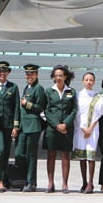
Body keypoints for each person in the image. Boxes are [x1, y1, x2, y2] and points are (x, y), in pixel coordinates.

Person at [44, 65, 77, 194]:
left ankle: (65, 184)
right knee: (51, 155)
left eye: (60, 75)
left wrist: (65, 124)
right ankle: (50, 183)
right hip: (52, 128)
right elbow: (47, 110)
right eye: (56, 75)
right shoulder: (49, 91)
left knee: (65, 155)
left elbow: (74, 110)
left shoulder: (72, 92)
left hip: (67, 129)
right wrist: (57, 125)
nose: (58, 78)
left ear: (65, 77)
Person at [0, 61, 20, 192]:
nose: (2, 73)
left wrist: (16, 126)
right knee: (0, 150)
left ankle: (2, 180)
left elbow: (17, 107)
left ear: (8, 72)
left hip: (8, 124)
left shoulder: (13, 87)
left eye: (5, 71)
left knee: (6, 153)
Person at [14, 64, 46, 192]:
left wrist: (27, 104)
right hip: (23, 126)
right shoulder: (27, 88)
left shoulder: (38, 88)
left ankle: (31, 182)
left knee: (31, 155)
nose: (29, 76)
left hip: (33, 126)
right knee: (19, 153)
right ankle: (24, 178)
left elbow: (40, 107)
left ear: (37, 74)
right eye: (27, 74)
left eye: (32, 74)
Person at [72, 72, 103, 194]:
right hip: (80, 129)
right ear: (83, 81)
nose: (89, 82)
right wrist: (82, 127)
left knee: (90, 156)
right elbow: (76, 113)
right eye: (86, 80)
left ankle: (91, 183)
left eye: (91, 80)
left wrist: (90, 128)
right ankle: (84, 181)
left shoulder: (98, 96)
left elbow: (99, 114)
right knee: (82, 157)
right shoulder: (78, 95)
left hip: (93, 129)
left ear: (94, 82)